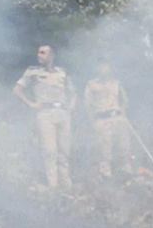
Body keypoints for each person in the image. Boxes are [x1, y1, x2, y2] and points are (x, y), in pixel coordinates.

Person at [13, 45, 76, 189]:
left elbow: (73, 93)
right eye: (38, 52)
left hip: (62, 113)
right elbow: (17, 89)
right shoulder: (32, 72)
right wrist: (31, 104)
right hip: (45, 114)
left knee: (64, 151)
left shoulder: (62, 73)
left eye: (43, 53)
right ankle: (53, 185)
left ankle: (66, 185)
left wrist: (71, 108)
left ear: (51, 55)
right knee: (50, 151)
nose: (39, 55)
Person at [84, 59, 131, 178]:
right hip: (102, 119)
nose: (104, 69)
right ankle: (106, 175)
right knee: (104, 150)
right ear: (97, 69)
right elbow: (88, 105)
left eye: (106, 66)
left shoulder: (116, 83)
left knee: (124, 146)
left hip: (118, 117)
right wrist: (93, 122)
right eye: (101, 66)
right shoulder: (91, 85)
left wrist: (123, 114)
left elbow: (124, 100)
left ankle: (126, 172)